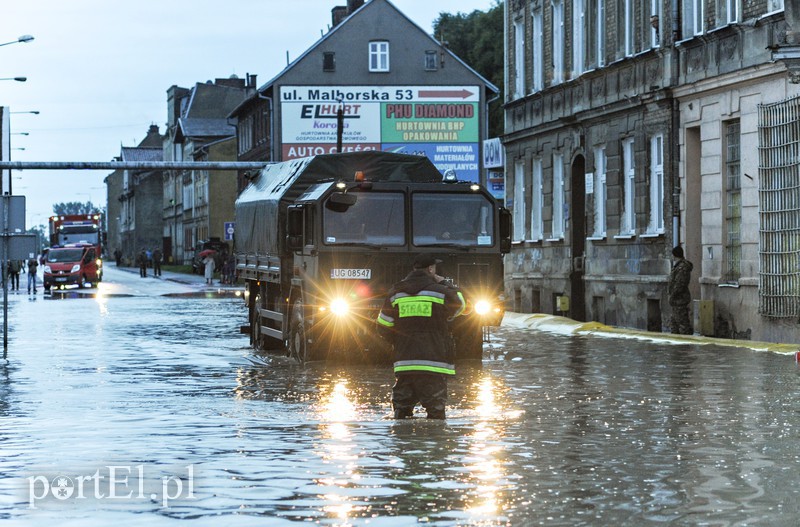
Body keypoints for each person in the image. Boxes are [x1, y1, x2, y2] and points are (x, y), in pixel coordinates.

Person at [376, 254, 466, 419]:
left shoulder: (396, 292)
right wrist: (445, 283)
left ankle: (404, 443)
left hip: (405, 364)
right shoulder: (440, 292)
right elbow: (462, 305)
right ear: (431, 269)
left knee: (401, 415)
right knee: (436, 416)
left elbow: (382, 327)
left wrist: (401, 343)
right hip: (435, 364)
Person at [668, 246, 694, 335]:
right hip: (676, 300)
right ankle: (677, 346)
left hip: (680, 299)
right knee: (674, 323)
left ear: (675, 255)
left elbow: (679, 284)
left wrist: (672, 295)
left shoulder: (682, 267)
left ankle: (685, 344)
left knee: (682, 324)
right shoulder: (678, 266)